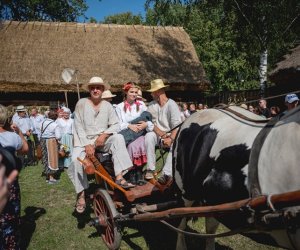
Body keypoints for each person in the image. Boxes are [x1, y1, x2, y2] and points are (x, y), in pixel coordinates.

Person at [68, 76, 135, 214]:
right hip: (83, 141)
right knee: (75, 161)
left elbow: (116, 124)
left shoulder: (108, 106)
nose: (95, 90)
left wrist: (104, 135)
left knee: (117, 138)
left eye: (98, 87)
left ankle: (119, 177)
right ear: (89, 90)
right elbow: (78, 126)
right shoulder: (81, 103)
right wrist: (87, 144)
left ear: (102, 90)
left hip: (101, 140)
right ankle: (81, 194)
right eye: (92, 88)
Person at [0, 104, 28, 250]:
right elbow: (25, 149)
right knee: (10, 217)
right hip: (8, 185)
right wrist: (19, 132)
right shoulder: (12, 137)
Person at [144, 79, 182, 184]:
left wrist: (170, 138)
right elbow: (148, 123)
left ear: (158, 91)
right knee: (149, 136)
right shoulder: (151, 105)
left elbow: (177, 126)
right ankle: (150, 169)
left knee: (176, 144)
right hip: (158, 135)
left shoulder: (172, 105)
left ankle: (166, 173)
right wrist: (160, 133)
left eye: (152, 92)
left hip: (171, 135)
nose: (151, 94)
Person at [116, 82, 153, 185]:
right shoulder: (119, 107)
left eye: (136, 92)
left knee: (140, 142)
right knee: (131, 145)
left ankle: (139, 174)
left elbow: (148, 118)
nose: (134, 94)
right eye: (131, 92)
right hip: (128, 130)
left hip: (140, 132)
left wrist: (145, 124)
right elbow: (118, 124)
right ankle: (131, 175)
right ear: (126, 93)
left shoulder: (141, 105)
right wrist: (129, 125)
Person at [40, 110, 61, 184]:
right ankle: (51, 178)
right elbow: (58, 136)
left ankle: (47, 176)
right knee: (52, 159)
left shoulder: (42, 122)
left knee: (46, 158)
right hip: (51, 142)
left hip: (42, 141)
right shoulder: (55, 124)